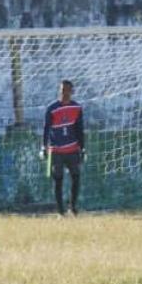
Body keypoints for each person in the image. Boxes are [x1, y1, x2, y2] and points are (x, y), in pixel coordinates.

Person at [41, 78, 85, 216]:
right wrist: (44, 147)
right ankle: (61, 212)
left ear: (72, 92)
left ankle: (73, 207)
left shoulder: (77, 108)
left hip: (72, 149)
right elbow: (46, 129)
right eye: (62, 90)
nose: (64, 93)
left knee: (76, 177)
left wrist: (82, 148)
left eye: (67, 90)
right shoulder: (52, 109)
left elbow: (79, 129)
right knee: (58, 180)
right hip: (56, 151)